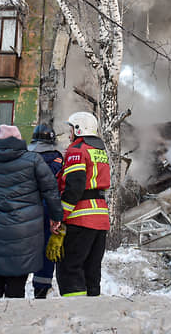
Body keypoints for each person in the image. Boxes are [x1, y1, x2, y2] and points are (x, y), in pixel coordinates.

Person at [0, 125, 63, 299]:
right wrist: (56, 217)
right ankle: (12, 317)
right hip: (24, 227)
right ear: (18, 139)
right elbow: (50, 190)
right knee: (16, 278)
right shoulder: (33, 160)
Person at [54, 112, 110, 297]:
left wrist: (60, 217)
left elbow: (75, 186)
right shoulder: (100, 151)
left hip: (81, 218)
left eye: (71, 129)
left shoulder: (76, 150)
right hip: (100, 218)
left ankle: (75, 312)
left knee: (69, 267)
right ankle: (92, 312)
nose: (70, 134)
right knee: (92, 269)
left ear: (78, 129)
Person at [27, 123, 64, 299]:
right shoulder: (57, 158)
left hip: (26, 207)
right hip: (48, 207)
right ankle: (42, 287)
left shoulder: (25, 155)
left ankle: (14, 285)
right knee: (47, 248)